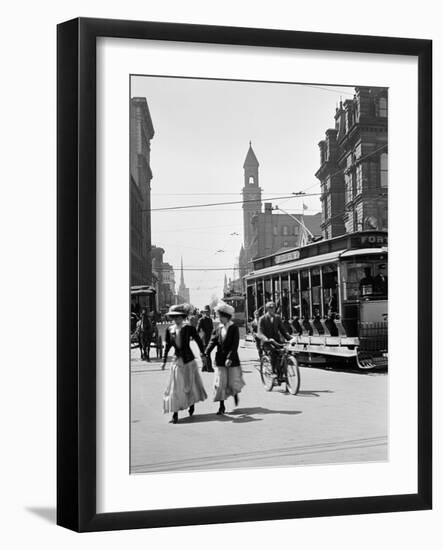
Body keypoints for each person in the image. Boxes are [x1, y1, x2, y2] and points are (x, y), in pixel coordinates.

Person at [162, 304, 207, 424]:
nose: (177, 320)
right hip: (177, 361)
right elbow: (167, 346)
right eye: (174, 317)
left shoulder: (189, 328)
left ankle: (191, 403)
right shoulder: (169, 330)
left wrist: (203, 353)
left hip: (189, 361)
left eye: (179, 317)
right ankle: (175, 414)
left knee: (189, 385)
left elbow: (198, 340)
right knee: (175, 387)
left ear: (183, 317)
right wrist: (164, 360)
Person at [205, 301, 245, 415]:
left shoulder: (233, 328)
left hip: (231, 359)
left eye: (220, 316)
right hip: (220, 359)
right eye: (218, 316)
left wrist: (230, 358)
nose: (219, 319)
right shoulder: (218, 329)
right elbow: (212, 341)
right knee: (220, 383)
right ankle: (221, 406)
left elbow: (234, 345)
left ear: (226, 317)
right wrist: (206, 352)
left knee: (232, 382)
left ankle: (235, 394)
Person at [257, 301, 292, 377]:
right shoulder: (262, 319)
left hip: (277, 341)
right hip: (267, 343)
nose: (272, 309)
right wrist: (266, 339)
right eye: (270, 308)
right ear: (267, 309)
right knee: (273, 353)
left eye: (273, 308)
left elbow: (283, 330)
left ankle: (282, 373)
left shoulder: (277, 318)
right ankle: (274, 372)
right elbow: (260, 333)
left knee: (284, 352)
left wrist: (290, 338)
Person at [197, 306, 214, 372]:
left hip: (209, 338)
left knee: (205, 353)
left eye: (208, 311)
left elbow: (212, 329)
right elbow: (197, 329)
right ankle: (208, 367)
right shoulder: (201, 320)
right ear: (204, 312)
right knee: (206, 353)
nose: (207, 313)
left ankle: (204, 367)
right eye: (206, 312)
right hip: (203, 338)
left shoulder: (210, 320)